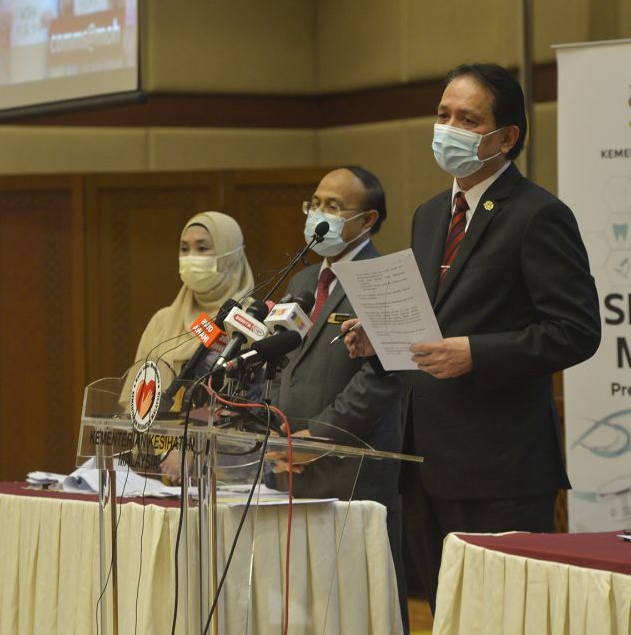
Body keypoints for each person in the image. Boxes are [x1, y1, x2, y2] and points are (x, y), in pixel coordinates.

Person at [342, 63, 601, 611]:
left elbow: (576, 332)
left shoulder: (539, 215)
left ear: (506, 137)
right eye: (442, 114)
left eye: (467, 118)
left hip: (500, 470)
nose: (448, 127)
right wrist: (381, 336)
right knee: (445, 614)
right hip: (422, 461)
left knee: (501, 618)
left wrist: (476, 354)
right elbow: (431, 322)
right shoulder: (430, 214)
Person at [270, 166, 407, 632]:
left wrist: (320, 437)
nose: (318, 215)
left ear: (367, 221)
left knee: (352, 609)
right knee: (299, 608)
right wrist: (277, 436)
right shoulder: (303, 279)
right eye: (314, 203)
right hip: (289, 465)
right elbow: (278, 360)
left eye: (333, 207)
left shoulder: (385, 277)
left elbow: (385, 377)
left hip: (351, 470)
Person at [129, 211, 255, 482]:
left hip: (228, 475)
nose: (191, 257)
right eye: (184, 249)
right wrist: (167, 451)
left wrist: (189, 447)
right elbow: (139, 399)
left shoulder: (251, 322)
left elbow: (248, 406)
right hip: (160, 473)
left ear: (230, 253)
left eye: (203, 248)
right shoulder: (163, 320)